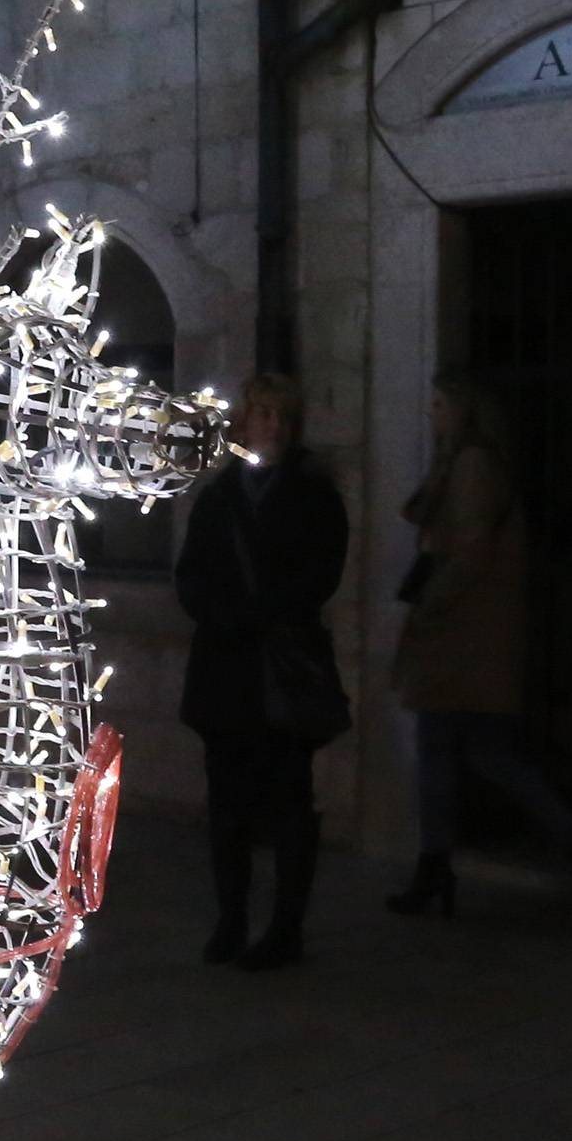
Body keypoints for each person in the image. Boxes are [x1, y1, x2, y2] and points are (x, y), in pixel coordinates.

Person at [387, 373, 572, 922]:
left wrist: (433, 605)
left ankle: (439, 867)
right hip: (467, 634)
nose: (433, 414)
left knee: (451, 751)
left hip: (461, 635)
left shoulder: (472, 467)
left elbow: (470, 549)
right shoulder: (469, 464)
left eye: (441, 404)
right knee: (480, 753)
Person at [175, 373, 348, 972]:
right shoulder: (220, 496)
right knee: (226, 805)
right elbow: (191, 575)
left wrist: (266, 612)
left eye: (282, 416)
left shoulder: (312, 492)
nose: (271, 426)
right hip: (226, 669)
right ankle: (231, 920)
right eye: (262, 414)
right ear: (244, 422)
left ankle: (285, 928)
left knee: (289, 802)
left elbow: (322, 570)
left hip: (279, 670)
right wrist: (224, 615)